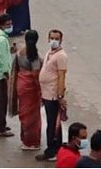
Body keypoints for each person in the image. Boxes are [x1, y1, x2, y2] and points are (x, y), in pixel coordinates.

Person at [37, 29, 69, 161]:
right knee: (53, 124)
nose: (54, 41)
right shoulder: (50, 53)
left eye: (56, 38)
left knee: (53, 125)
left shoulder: (61, 56)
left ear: (61, 40)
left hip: (53, 95)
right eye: (52, 38)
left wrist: (60, 96)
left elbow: (61, 77)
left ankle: (52, 150)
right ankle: (54, 148)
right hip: (46, 93)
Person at [10, 30, 42, 150]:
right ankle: (32, 141)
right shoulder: (33, 55)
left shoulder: (20, 52)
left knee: (24, 111)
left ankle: (25, 139)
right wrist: (39, 88)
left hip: (21, 84)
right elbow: (35, 75)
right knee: (32, 115)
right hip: (31, 87)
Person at [0, 14, 14, 137]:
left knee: (0, 100)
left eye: (10, 24)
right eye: (7, 25)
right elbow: (3, 59)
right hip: (0, 74)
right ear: (1, 25)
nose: (10, 27)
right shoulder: (1, 40)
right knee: (0, 102)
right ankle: (0, 128)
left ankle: (1, 124)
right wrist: (7, 74)